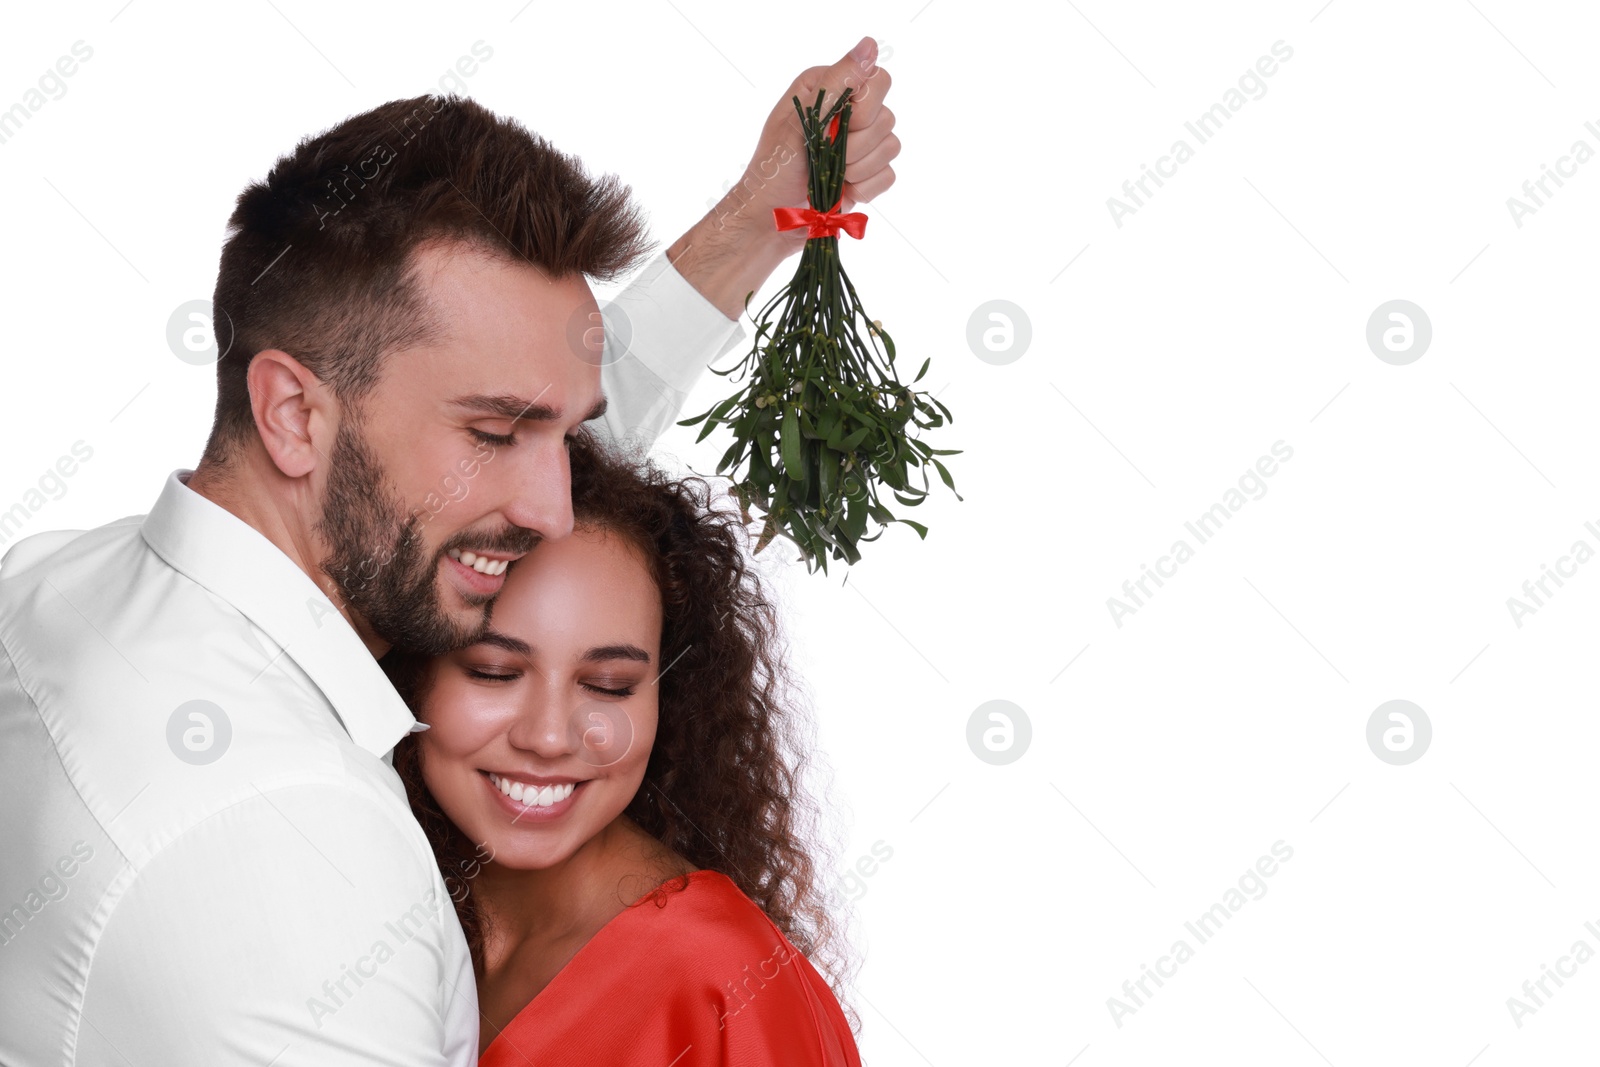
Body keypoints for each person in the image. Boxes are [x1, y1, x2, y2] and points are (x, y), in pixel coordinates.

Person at [0, 38, 895, 1065]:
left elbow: (520, 448)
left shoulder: (51, 583)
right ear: (294, 414)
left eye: (558, 432)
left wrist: (751, 222)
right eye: (492, 432)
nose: (555, 509)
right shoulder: (300, 875)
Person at [382, 431, 860, 1065]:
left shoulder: (724, 980)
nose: (549, 737)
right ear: (413, 674)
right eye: (495, 672)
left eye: (609, 686)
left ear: (670, 698)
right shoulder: (373, 903)